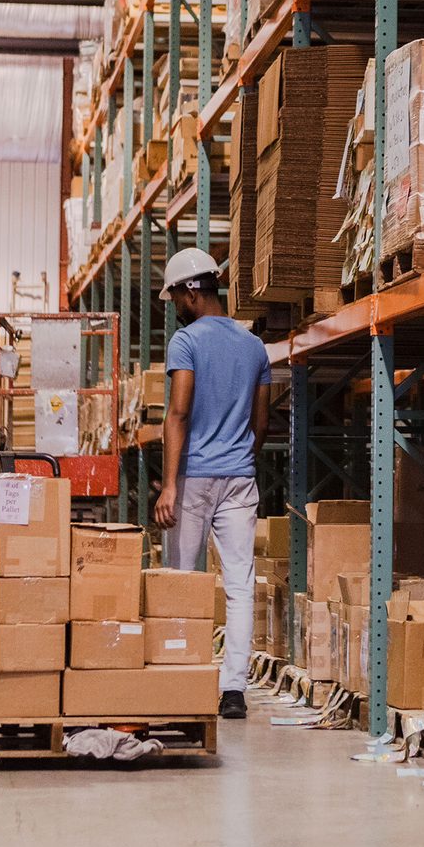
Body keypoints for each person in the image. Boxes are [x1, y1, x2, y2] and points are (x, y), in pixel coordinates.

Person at [155, 246, 271, 719]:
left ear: (191, 292)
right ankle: (233, 692)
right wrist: (240, 456)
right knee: (240, 585)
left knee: (183, 580)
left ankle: (183, 675)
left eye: (176, 297)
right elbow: (262, 423)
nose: (176, 308)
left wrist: (168, 486)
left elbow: (178, 413)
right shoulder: (254, 346)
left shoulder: (187, 343)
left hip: (195, 477)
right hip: (240, 476)